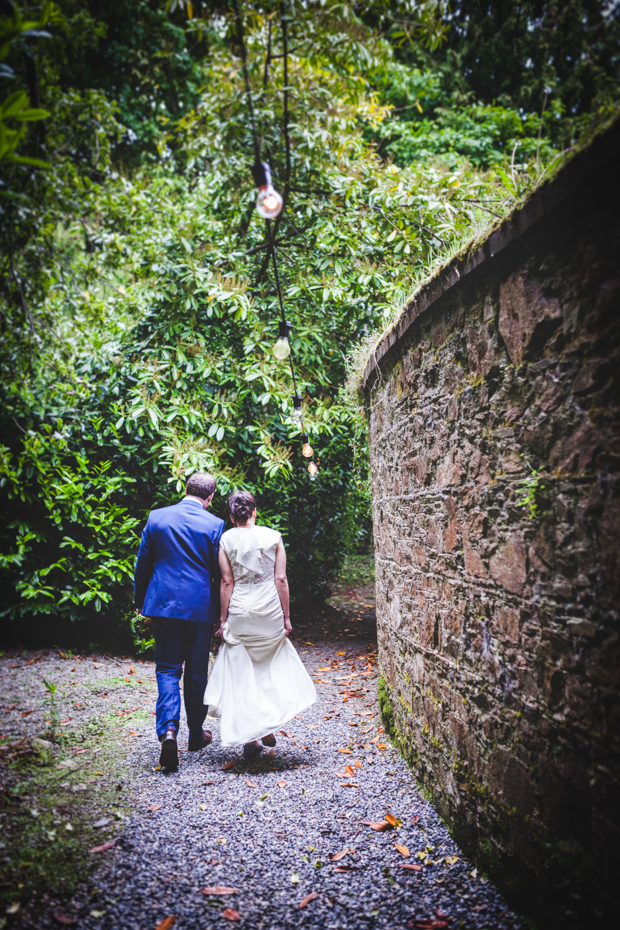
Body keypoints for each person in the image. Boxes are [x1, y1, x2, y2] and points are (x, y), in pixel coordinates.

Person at [204, 491, 316, 758]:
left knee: (242, 670)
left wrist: (223, 619)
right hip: (269, 610)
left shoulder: (226, 539)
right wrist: (287, 617)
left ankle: (253, 735)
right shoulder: (273, 537)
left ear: (232, 517)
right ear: (255, 512)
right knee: (269, 666)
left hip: (241, 609)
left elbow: (226, 582)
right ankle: (266, 723)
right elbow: (280, 580)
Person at [134, 472, 225, 771]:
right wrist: (221, 613)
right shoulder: (214, 525)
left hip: (163, 604)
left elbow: (143, 563)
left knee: (167, 669)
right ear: (210, 498)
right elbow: (219, 573)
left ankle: (169, 731)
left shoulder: (157, 518)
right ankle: (196, 735)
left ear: (185, 489)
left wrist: (140, 602)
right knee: (197, 672)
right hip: (199, 608)